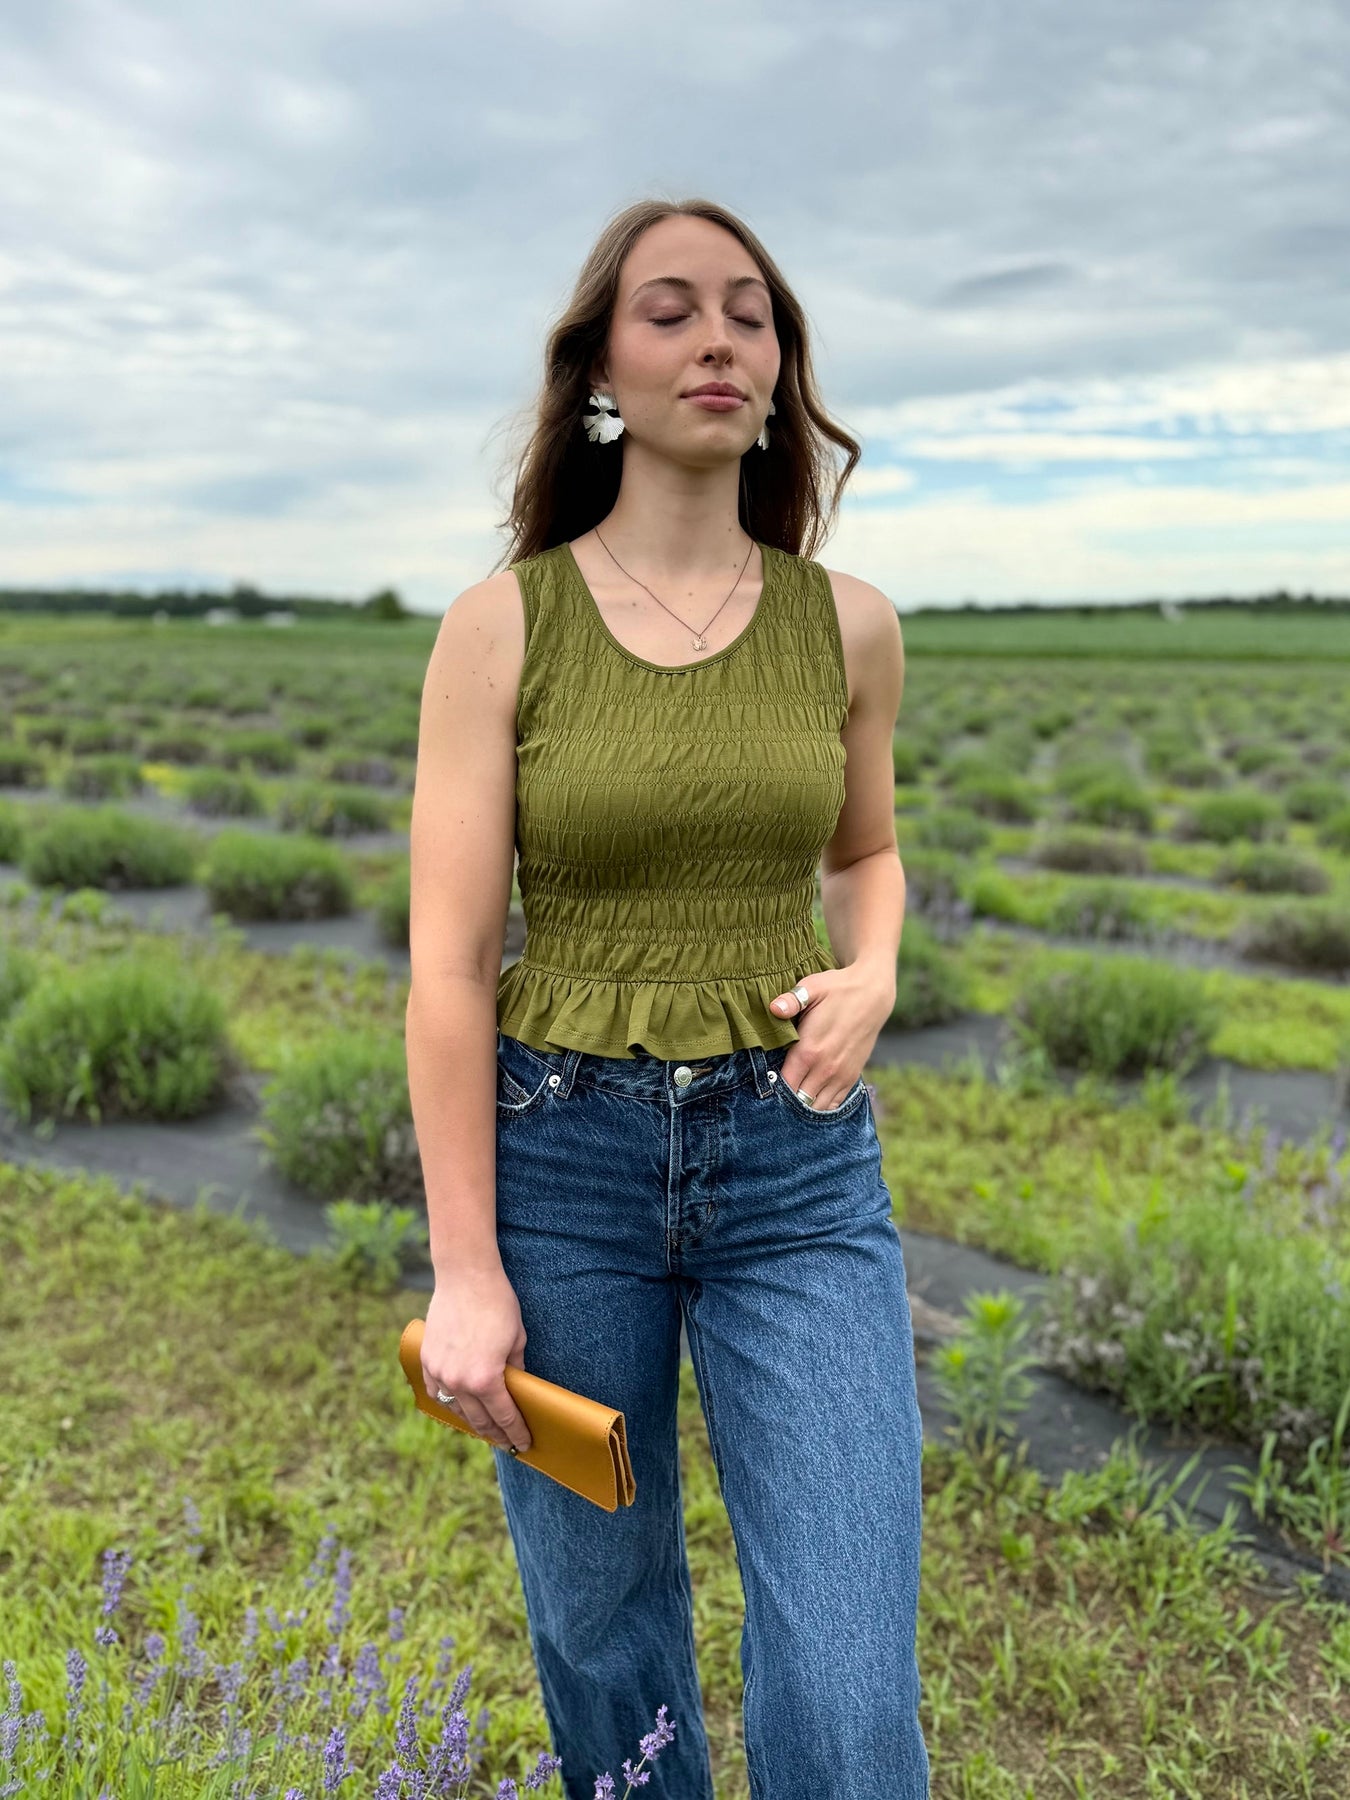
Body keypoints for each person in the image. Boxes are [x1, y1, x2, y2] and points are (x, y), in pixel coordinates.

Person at [405, 196, 929, 1800]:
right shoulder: (503, 625)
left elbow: (868, 851)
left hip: (794, 1167)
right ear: (599, 371)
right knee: (603, 1631)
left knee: (846, 1668)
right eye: (671, 309)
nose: (717, 340)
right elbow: (448, 969)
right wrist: (467, 1271)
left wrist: (874, 967)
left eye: (748, 315)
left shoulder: (847, 624)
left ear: (779, 371)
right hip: (562, 1161)